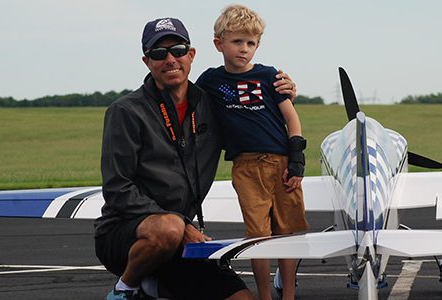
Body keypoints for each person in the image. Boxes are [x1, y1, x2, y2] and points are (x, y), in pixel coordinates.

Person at [94, 17, 297, 300]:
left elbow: (254, 120)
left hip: (185, 240)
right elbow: (117, 189)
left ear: (191, 55)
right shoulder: (126, 111)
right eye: (158, 53)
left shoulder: (210, 104)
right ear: (147, 61)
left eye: (177, 50)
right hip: (128, 234)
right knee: (168, 228)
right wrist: (181, 223)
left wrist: (279, 93)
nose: (170, 59)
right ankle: (125, 288)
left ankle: (150, 286)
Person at [195, 5, 309, 300]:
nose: (244, 49)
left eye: (251, 43)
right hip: (245, 166)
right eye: (236, 42)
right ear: (219, 44)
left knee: (287, 234)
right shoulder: (210, 81)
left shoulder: (270, 75)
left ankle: (289, 296)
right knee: (258, 236)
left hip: (282, 161)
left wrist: (297, 159)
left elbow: (291, 118)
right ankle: (264, 296)